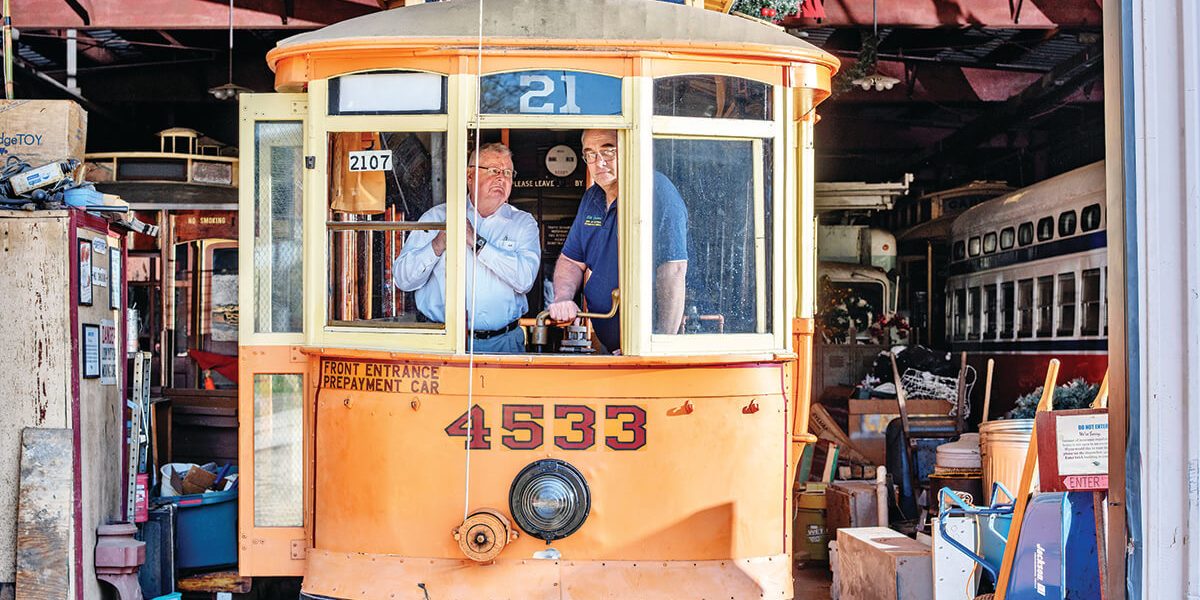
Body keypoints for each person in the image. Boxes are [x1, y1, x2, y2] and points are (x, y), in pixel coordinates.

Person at [548, 129, 688, 353]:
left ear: (629, 148)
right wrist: (563, 298)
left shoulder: (656, 192)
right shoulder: (592, 197)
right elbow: (571, 261)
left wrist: (658, 345)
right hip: (610, 346)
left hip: (643, 350)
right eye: (590, 154)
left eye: (608, 151)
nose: (599, 162)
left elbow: (673, 271)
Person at [393, 142, 540, 353]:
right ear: (469, 176)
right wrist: (437, 244)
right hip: (443, 342)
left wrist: (477, 242)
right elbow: (402, 280)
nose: (502, 178)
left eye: (508, 172)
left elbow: (524, 280)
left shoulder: (523, 223)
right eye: (493, 170)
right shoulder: (437, 218)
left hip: (504, 344)